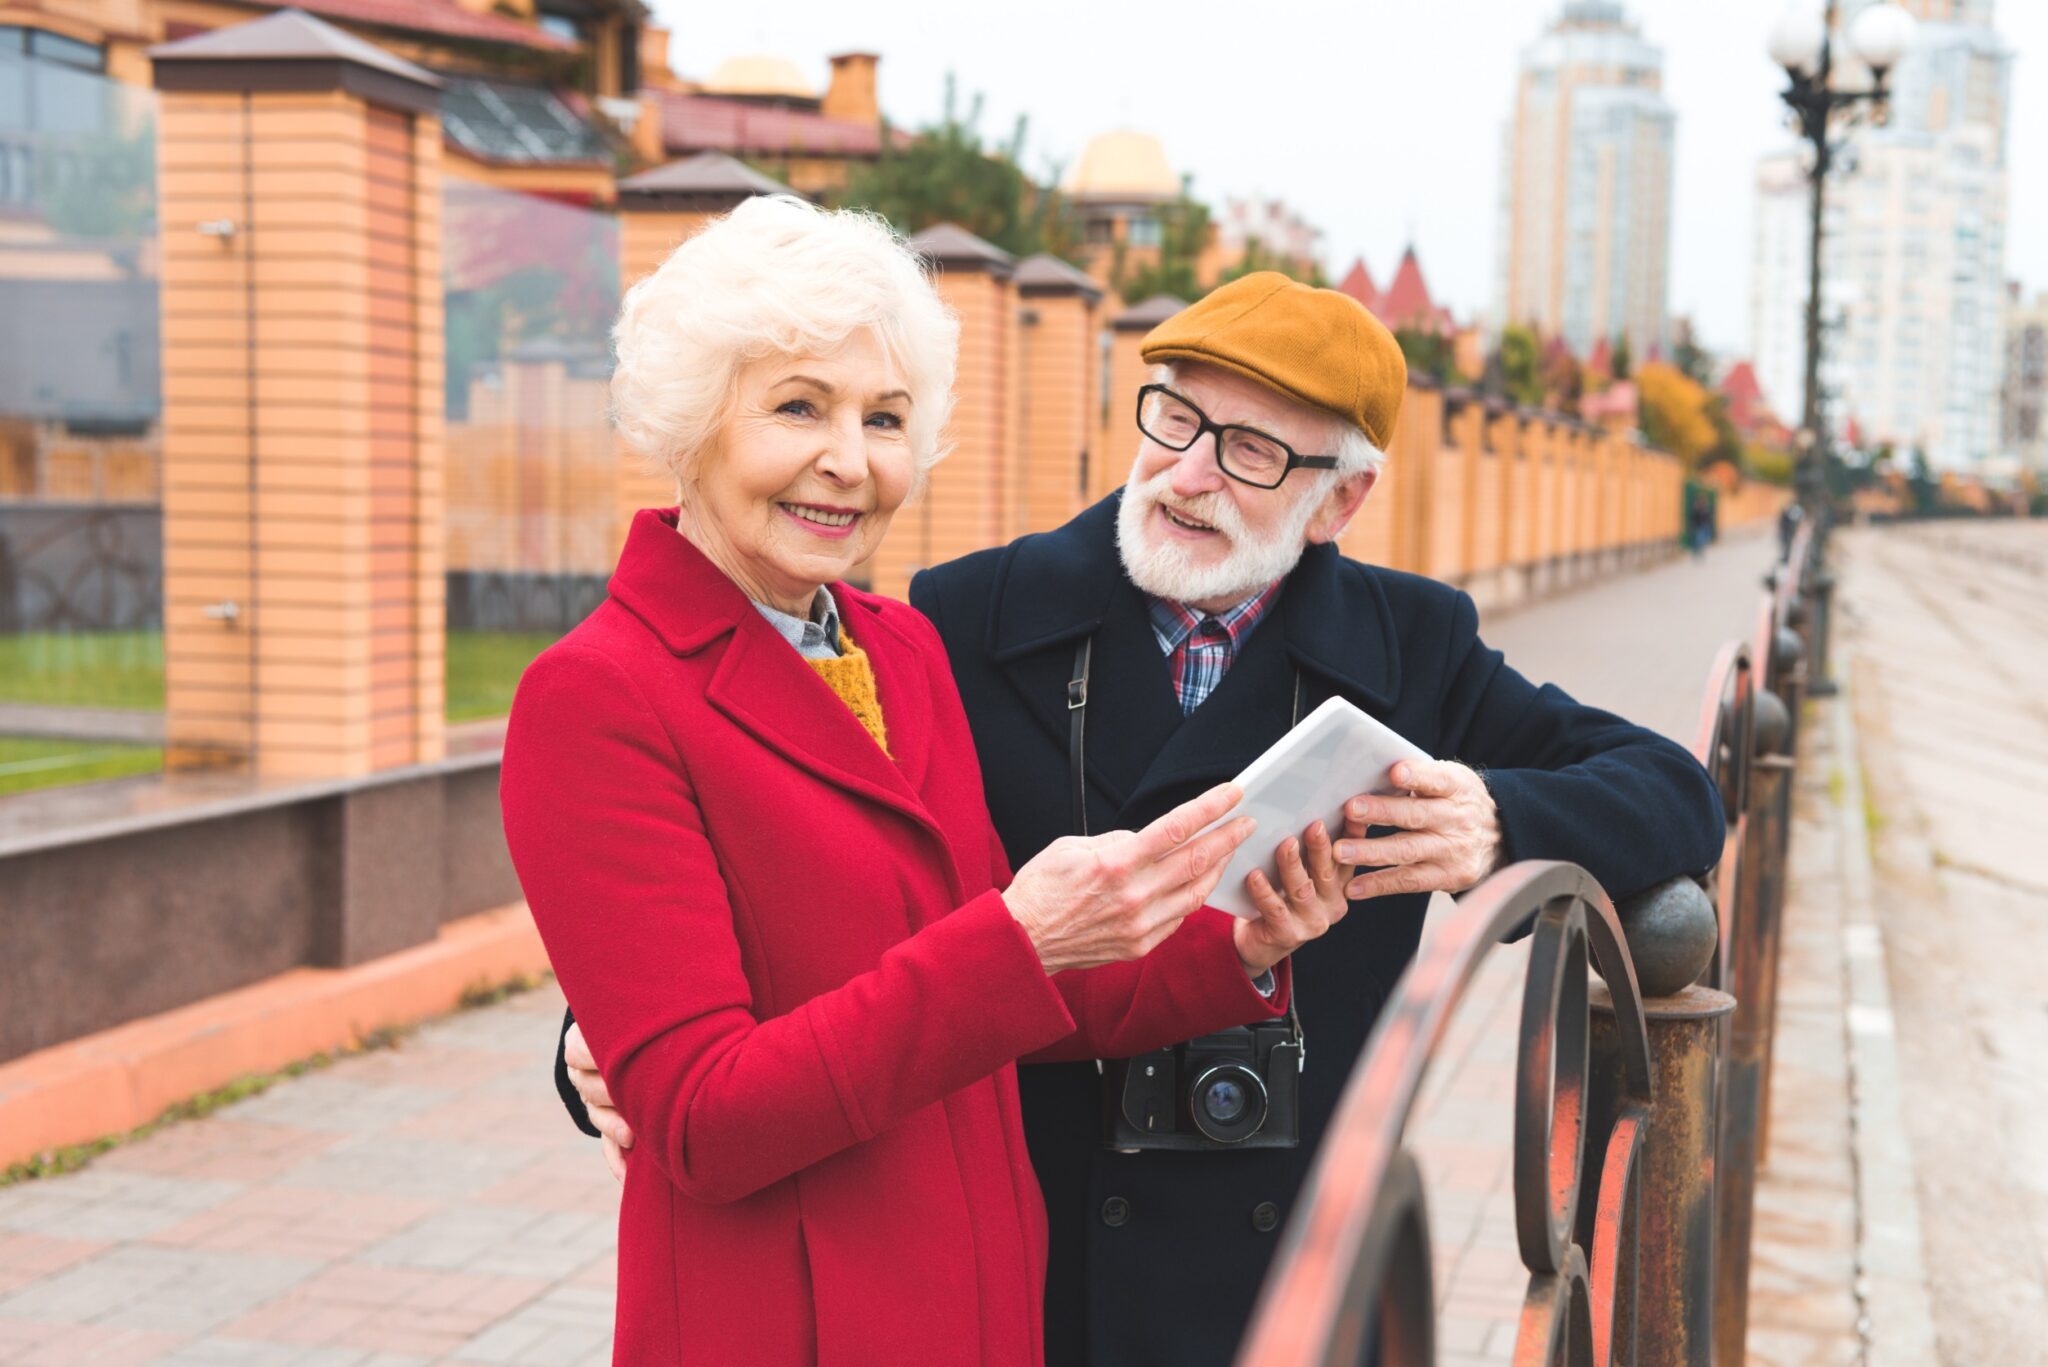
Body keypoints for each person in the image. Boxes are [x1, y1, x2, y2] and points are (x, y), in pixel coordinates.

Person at [556, 271, 1727, 1366]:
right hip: (1028, 1240)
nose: (1189, 472)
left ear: (1341, 498)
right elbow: (803, 858)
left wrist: (1494, 822)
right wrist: (594, 1027)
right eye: (1173, 419)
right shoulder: (965, 614)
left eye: (1253, 449)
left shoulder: (1408, 643)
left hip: (1286, 1250)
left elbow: (1674, 789)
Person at [502, 205, 1357, 1367]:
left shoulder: (897, 649)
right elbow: (702, 1119)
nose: (850, 461)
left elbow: (1008, 993)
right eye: (797, 405)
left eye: (885, 418)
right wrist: (1014, 935)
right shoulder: (598, 693)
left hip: (979, 1305)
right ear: (693, 420)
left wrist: (1237, 943)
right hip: (787, 1321)